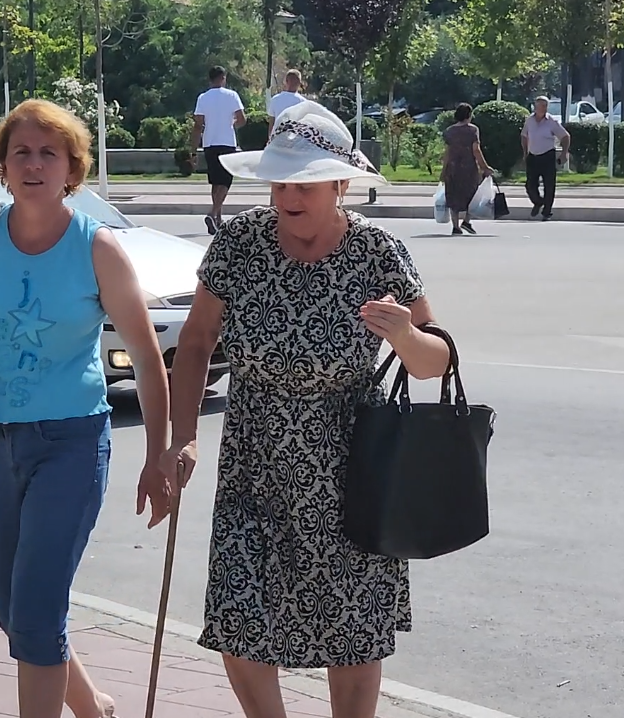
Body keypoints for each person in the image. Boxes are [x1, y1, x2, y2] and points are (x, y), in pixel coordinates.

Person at [160, 100, 451, 718]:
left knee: (353, 634)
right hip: (254, 460)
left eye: (305, 184)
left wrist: (404, 334)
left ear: (340, 185)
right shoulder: (239, 242)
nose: (289, 196)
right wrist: (182, 436)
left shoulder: (377, 252)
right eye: (280, 182)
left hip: (353, 467)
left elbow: (437, 360)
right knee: (239, 619)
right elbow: (197, 341)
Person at [0, 99, 173, 718]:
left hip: (71, 443)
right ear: (3, 166)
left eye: (48, 153)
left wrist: (159, 457)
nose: (34, 165)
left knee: (36, 613)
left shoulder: (97, 247)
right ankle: (94, 708)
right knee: (14, 609)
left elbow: (148, 358)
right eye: (21, 153)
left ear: (72, 168)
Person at [191, 65, 247, 235]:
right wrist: (232, 124)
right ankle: (213, 213)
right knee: (226, 181)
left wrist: (193, 150)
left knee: (216, 182)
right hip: (227, 142)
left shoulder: (203, 98)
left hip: (209, 142)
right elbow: (242, 119)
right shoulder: (232, 95)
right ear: (223, 78)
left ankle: (218, 218)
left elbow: (198, 124)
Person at [440, 102, 495, 236]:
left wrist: (443, 170)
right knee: (472, 195)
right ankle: (466, 221)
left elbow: (447, 152)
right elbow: (476, 150)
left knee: (453, 195)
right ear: (469, 115)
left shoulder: (449, 131)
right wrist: (484, 167)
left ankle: (455, 226)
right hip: (468, 168)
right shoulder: (473, 130)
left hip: (452, 168)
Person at [520, 96, 570, 221]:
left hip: (547, 155)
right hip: (533, 156)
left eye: (545, 106)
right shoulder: (529, 120)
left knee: (549, 185)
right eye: (541, 106)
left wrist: (564, 153)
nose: (543, 108)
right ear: (535, 107)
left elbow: (565, 136)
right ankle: (538, 202)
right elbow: (524, 136)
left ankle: (547, 212)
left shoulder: (551, 121)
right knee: (530, 185)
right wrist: (525, 152)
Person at [266, 69, 306, 136]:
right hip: (295, 139)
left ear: (286, 81)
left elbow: (271, 124)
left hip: (277, 138)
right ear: (299, 83)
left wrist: (270, 139)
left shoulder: (275, 100)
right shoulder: (303, 102)